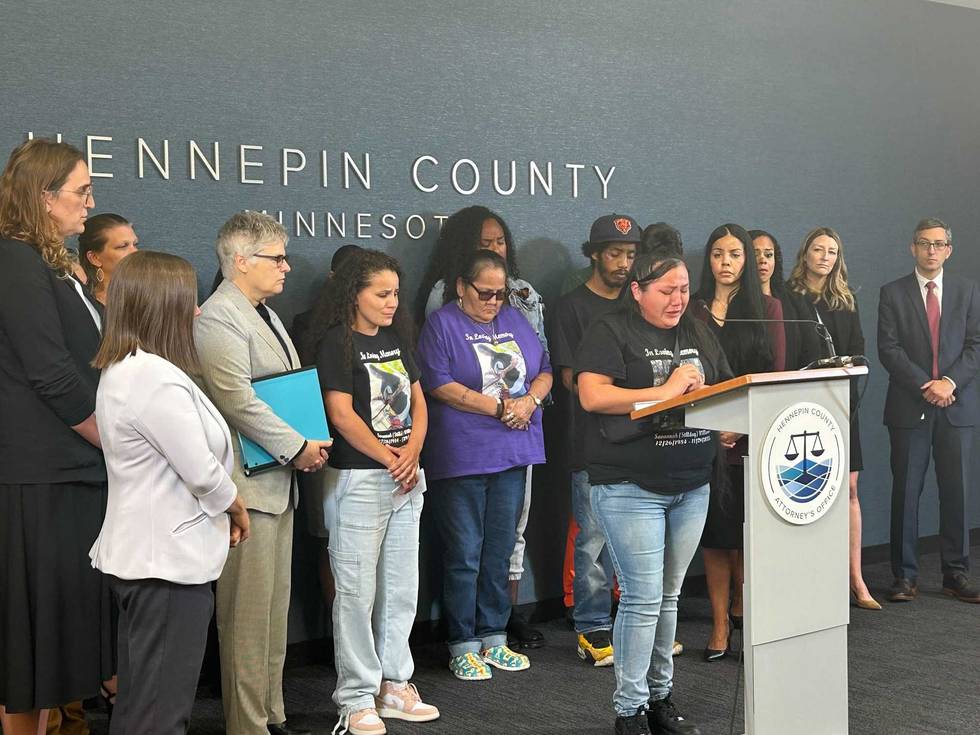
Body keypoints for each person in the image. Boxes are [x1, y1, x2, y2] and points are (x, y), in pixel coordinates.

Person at [89, 251, 251, 735]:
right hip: (165, 568)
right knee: (158, 714)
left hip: (152, 562)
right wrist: (236, 506)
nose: (198, 311)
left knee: (145, 705)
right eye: (190, 301)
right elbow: (200, 470)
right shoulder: (152, 378)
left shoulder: (133, 369)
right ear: (164, 306)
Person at [577, 252, 732, 735]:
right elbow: (592, 395)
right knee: (643, 598)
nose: (678, 299)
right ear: (638, 290)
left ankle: (661, 700)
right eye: (666, 290)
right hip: (629, 485)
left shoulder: (699, 330)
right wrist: (665, 391)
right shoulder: (611, 330)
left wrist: (727, 422)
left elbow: (723, 385)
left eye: (684, 289)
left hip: (691, 480)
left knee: (668, 598)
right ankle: (630, 712)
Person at [195, 211, 332, 735]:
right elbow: (236, 399)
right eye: (276, 258)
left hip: (277, 484)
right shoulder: (218, 317)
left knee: (273, 616)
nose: (287, 267)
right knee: (247, 621)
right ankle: (248, 725)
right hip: (247, 488)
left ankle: (271, 716)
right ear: (241, 260)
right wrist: (297, 446)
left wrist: (302, 448)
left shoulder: (263, 312)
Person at [0, 139, 112, 735]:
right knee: (29, 657)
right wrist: (112, 439)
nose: (89, 205)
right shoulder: (16, 260)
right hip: (39, 475)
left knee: (49, 660)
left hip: (68, 470)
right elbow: (49, 372)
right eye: (81, 192)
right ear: (45, 197)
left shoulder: (51, 263)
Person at [304, 250, 438, 735]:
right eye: (381, 294)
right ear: (353, 294)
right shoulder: (336, 342)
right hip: (360, 478)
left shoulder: (398, 339)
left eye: (395, 294)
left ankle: (395, 684)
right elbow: (340, 415)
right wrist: (390, 458)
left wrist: (412, 453)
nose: (390, 303)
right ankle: (356, 696)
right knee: (356, 593)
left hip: (406, 478)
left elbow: (420, 402)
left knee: (402, 588)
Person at [416, 249, 553, 680]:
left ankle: (494, 636)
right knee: (464, 552)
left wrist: (529, 401)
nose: (494, 302)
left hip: (514, 451)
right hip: (463, 455)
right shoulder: (442, 324)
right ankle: (461, 642)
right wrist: (499, 408)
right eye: (485, 293)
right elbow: (439, 384)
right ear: (461, 287)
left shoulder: (515, 319)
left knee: (499, 550)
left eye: (500, 294)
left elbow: (545, 369)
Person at [550, 214, 640, 667]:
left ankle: (633, 626)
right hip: (589, 440)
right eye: (614, 253)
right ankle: (591, 627)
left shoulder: (639, 304)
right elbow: (569, 380)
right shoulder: (571, 307)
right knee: (591, 538)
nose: (623, 263)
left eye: (629, 254)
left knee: (634, 536)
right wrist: (618, 392)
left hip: (640, 441)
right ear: (594, 254)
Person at [693, 224, 786, 660]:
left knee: (749, 539)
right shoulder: (692, 309)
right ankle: (717, 627)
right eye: (717, 254)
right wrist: (714, 426)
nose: (725, 263)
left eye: (734, 254)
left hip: (751, 442)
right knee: (716, 537)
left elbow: (774, 378)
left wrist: (743, 426)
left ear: (748, 260)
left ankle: (747, 615)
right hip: (706, 440)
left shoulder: (768, 308)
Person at [878, 218, 980, 604]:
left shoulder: (969, 291)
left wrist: (949, 384)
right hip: (910, 406)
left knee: (957, 492)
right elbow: (889, 349)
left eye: (939, 244)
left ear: (949, 249)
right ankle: (904, 576)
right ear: (913, 248)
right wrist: (927, 385)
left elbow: (976, 345)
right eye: (924, 243)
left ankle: (956, 573)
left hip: (957, 405)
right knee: (905, 491)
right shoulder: (893, 293)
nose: (931, 250)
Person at [787, 226, 879, 609]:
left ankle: (855, 580)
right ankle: (812, 577)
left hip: (842, 404)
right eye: (818, 249)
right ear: (805, 254)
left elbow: (858, 351)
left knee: (850, 491)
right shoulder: (789, 298)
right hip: (802, 409)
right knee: (806, 493)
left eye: (832, 251)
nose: (825, 257)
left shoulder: (846, 300)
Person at [294, 243, 365, 617]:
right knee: (329, 540)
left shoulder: (390, 329)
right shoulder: (309, 325)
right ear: (334, 280)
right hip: (325, 448)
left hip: (378, 453)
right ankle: (339, 637)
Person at [749, 229, 823, 369]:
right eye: (755, 254)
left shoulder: (794, 298)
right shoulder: (736, 301)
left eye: (768, 255)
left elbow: (812, 348)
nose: (762, 260)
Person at [77, 214, 139, 305]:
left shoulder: (150, 294)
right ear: (94, 258)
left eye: (135, 244)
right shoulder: (81, 303)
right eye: (123, 246)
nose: (135, 252)